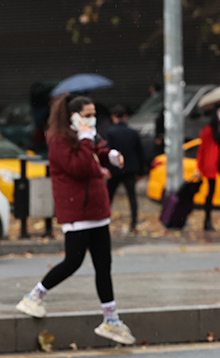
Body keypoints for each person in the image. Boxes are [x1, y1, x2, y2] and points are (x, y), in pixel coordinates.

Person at [15, 95, 135, 345]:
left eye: (94, 114)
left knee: (104, 265)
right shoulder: (58, 139)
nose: (92, 118)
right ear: (73, 115)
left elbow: (98, 149)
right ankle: (34, 296)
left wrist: (111, 156)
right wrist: (88, 147)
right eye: (87, 114)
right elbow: (79, 166)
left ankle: (111, 320)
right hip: (77, 211)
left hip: (97, 209)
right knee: (73, 261)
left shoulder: (88, 133)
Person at [103, 105, 145, 233]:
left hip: (114, 170)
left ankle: (104, 221)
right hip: (130, 170)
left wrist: (107, 168)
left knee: (108, 197)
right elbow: (140, 152)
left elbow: (107, 151)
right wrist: (140, 171)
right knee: (132, 197)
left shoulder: (110, 132)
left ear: (113, 117)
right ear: (126, 117)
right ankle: (134, 222)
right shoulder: (133, 132)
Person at [197, 108, 220, 231]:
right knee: (210, 192)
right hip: (211, 165)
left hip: (218, 164)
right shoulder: (209, 130)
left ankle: (208, 220)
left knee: (213, 192)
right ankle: (207, 220)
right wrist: (199, 167)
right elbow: (202, 149)